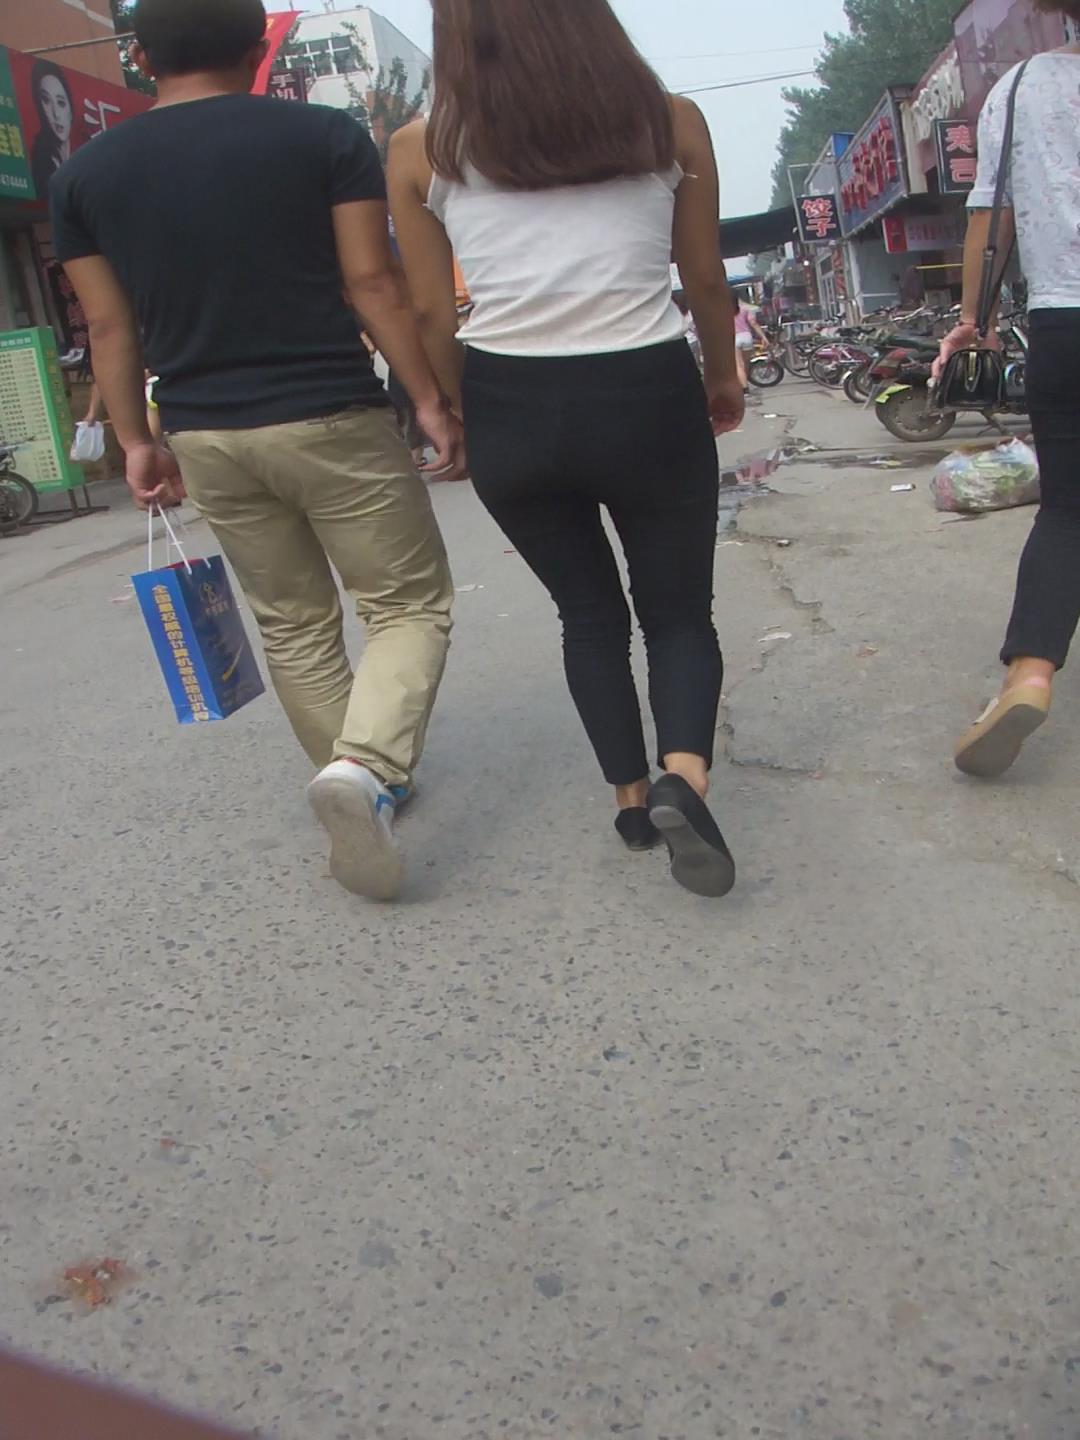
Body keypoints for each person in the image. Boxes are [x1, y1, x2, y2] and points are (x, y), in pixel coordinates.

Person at [51, 0, 466, 901]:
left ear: (139, 56)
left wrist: (134, 441)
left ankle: (359, 783)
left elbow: (111, 327)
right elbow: (371, 280)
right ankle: (366, 770)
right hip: (331, 414)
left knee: (293, 624)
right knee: (406, 604)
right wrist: (430, 398)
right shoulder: (321, 137)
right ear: (255, 51)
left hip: (204, 432)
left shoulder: (85, 175)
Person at [388, 0, 744, 898]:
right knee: (677, 613)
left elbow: (431, 312)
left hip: (511, 401)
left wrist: (454, 409)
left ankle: (630, 800)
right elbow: (704, 279)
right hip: (646, 388)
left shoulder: (422, 147)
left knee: (587, 614)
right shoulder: (671, 122)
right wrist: (723, 376)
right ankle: (684, 777)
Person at [935, 0, 1080, 779]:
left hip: (1066, 322)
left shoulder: (1022, 88)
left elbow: (991, 219)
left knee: (1068, 511)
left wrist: (972, 319)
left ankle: (1029, 674)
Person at [30, 60, 74, 202]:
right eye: (46, 100)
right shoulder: (41, 163)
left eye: (61, 103)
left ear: (71, 109)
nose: (56, 114)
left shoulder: (85, 157)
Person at [732, 289, 767, 389]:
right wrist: (763, 337)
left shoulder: (722, 311)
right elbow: (753, 323)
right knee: (745, 363)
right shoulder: (745, 309)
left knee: (739, 365)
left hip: (734, 338)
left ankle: (744, 387)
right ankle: (744, 380)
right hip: (747, 337)